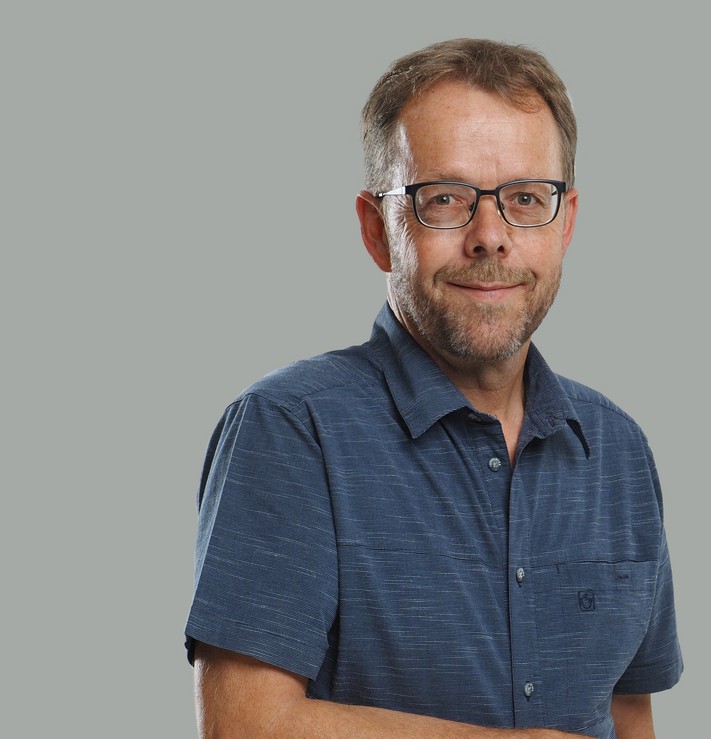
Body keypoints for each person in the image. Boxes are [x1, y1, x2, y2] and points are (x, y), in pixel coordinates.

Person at [185, 38, 682, 738]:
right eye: (445, 199)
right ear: (376, 230)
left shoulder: (618, 449)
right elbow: (245, 726)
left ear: (566, 222)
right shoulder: (290, 430)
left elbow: (629, 712)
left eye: (525, 199)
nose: (491, 236)